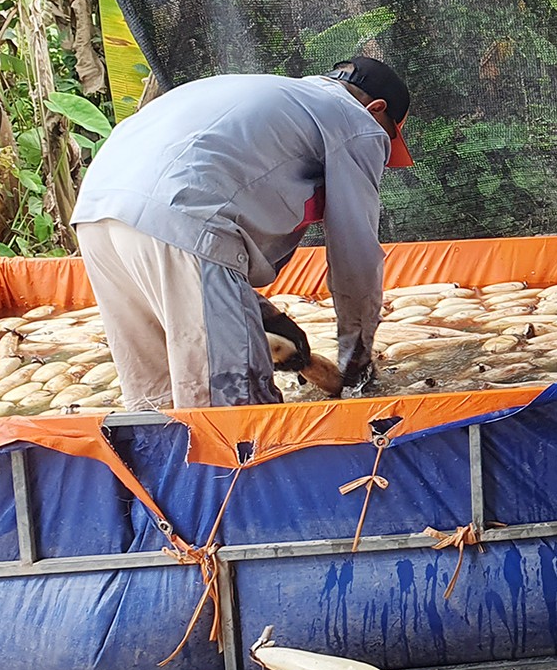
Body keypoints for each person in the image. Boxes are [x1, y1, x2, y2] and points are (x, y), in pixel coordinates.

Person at [70, 56, 411, 409]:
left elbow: (192, 203)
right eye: (388, 138)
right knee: (237, 417)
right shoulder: (358, 121)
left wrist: (264, 316)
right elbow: (356, 259)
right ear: (376, 109)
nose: (381, 152)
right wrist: (356, 367)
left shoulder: (262, 93)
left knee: (157, 405)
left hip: (97, 214)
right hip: (182, 218)